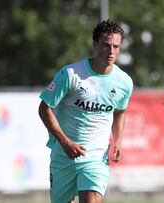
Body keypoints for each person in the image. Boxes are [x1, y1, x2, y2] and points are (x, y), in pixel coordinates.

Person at [38, 19, 133, 203]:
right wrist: (65, 142)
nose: (111, 51)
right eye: (106, 45)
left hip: (96, 157)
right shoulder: (71, 74)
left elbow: (120, 112)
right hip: (63, 156)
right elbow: (44, 108)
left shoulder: (124, 82)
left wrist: (118, 142)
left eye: (116, 46)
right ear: (95, 44)